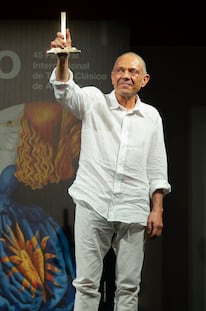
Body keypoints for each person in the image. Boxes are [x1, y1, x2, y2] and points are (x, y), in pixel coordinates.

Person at [48, 29, 171, 310]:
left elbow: (156, 164)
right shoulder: (93, 101)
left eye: (132, 71)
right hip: (94, 202)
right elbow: (65, 92)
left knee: (129, 286)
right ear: (112, 75)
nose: (125, 75)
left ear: (144, 79)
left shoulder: (151, 117)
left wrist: (157, 208)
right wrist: (63, 60)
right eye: (120, 70)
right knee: (87, 284)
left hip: (133, 207)